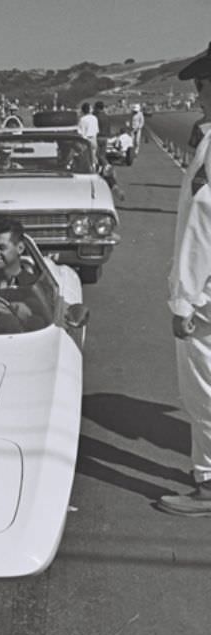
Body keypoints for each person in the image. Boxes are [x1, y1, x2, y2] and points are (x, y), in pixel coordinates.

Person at [157, 43, 211, 515]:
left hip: (206, 296)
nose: (197, 96)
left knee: (204, 391)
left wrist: (183, 301)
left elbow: (202, 225)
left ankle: (209, 486)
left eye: (202, 86)